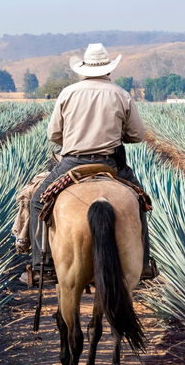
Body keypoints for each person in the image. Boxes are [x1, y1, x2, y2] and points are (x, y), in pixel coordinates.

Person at [24, 43, 152, 284]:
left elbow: (54, 135)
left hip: (72, 163)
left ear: (83, 69)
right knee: (139, 202)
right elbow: (136, 135)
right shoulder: (121, 94)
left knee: (37, 202)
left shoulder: (68, 93)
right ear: (108, 70)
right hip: (110, 164)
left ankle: (43, 264)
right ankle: (143, 263)